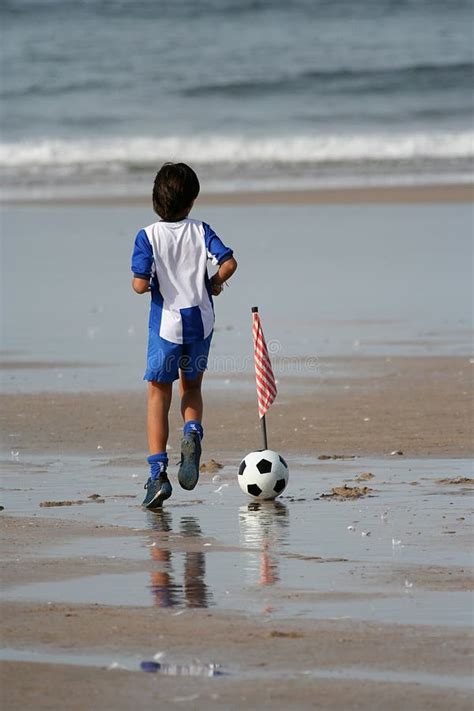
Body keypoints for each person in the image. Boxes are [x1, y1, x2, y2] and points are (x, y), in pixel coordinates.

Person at [131, 162, 237, 509]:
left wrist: (147, 281)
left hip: (166, 326)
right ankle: (191, 434)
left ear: (155, 201)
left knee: (158, 392)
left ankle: (158, 474)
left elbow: (139, 284)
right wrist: (214, 283)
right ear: (191, 202)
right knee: (191, 387)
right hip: (201, 321)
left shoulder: (148, 236)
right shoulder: (200, 229)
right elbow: (228, 262)